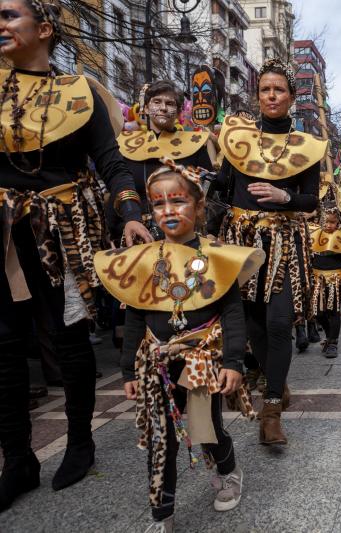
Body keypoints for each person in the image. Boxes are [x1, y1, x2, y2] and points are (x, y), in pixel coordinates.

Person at [0, 0, 152, 511]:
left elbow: (111, 161)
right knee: (3, 344)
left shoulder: (80, 91)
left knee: (67, 338)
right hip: (3, 234)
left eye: (7, 15)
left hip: (61, 229)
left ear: (43, 29)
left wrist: (130, 211)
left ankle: (81, 442)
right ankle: (17, 458)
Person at [95, 161, 262, 532]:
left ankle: (229, 470)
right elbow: (136, 316)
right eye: (158, 204)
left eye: (178, 201)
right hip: (156, 363)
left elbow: (233, 312)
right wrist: (127, 370)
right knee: (161, 440)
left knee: (206, 428)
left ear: (198, 206)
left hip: (204, 359)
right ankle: (162, 513)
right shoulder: (146, 259)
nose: (168, 210)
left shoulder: (216, 255)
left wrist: (234, 362)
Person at [214, 58, 324, 445]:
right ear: (257, 95)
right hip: (241, 242)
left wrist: (285, 196)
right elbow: (221, 191)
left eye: (279, 89)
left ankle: (272, 408)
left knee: (279, 323)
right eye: (265, 89)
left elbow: (313, 200)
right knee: (252, 325)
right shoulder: (236, 139)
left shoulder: (307, 146)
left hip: (283, 244)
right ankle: (276, 378)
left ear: (292, 97)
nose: (271, 95)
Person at [110, 80, 213, 242]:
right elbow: (117, 189)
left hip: (184, 233)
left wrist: (209, 230)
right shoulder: (124, 144)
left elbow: (208, 194)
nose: (163, 108)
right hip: (138, 234)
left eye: (170, 103)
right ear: (145, 108)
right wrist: (115, 233)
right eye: (157, 102)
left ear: (179, 111)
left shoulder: (195, 144)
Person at [310, 205, 341, 358]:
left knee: (333, 311)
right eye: (325, 221)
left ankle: (333, 343)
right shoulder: (313, 235)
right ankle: (329, 335)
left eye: (332, 222)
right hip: (318, 280)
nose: (328, 225)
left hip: (336, 280)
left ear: (338, 223)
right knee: (318, 313)